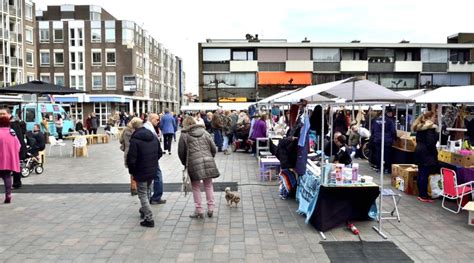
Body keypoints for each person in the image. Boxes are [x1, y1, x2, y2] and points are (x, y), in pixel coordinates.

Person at [178, 116, 220, 218]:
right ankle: (210, 208)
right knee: (208, 185)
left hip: (193, 163)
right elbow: (214, 148)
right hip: (208, 160)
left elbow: (181, 152)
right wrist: (211, 156)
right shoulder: (205, 132)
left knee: (196, 187)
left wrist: (185, 163)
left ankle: (199, 210)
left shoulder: (184, 135)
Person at [127, 118, 162, 228]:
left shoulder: (135, 140)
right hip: (151, 169)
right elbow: (159, 153)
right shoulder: (153, 136)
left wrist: (132, 171)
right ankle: (144, 210)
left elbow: (131, 159)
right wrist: (152, 162)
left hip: (140, 170)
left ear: (133, 128)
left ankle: (149, 217)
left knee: (142, 193)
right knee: (147, 189)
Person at [412, 111, 439, 203]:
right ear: (430, 117)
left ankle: (421, 194)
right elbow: (431, 142)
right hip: (426, 153)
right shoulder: (430, 128)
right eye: (434, 117)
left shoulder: (420, 127)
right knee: (424, 174)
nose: (435, 118)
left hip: (419, 150)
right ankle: (423, 195)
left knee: (421, 173)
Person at [1, 108, 27, 189]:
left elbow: (18, 138)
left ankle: (16, 183)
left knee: (15, 165)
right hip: (4, 148)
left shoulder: (14, 124)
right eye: (0, 114)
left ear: (9, 114)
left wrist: (18, 150)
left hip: (14, 149)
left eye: (3, 114)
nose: (1, 115)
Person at [144, 113, 166, 205]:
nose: (158, 121)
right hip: (151, 157)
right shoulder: (148, 128)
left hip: (150, 156)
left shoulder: (148, 127)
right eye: (157, 119)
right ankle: (155, 197)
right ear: (152, 119)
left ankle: (152, 197)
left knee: (152, 177)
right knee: (157, 176)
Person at [120, 117, 143, 196]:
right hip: (133, 153)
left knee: (132, 172)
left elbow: (121, 140)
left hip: (127, 152)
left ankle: (133, 188)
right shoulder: (134, 131)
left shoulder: (125, 130)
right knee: (135, 171)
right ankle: (134, 188)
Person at [0, 116, 21, 203]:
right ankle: (8, 194)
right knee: (7, 177)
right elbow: (18, 146)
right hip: (8, 160)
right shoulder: (12, 132)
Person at [370, 108, 397, 173]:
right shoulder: (389, 121)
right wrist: (395, 138)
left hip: (378, 140)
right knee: (387, 155)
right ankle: (387, 169)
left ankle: (379, 168)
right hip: (387, 141)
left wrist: (375, 137)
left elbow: (372, 130)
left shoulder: (376, 120)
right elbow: (393, 131)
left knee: (379, 154)